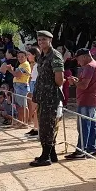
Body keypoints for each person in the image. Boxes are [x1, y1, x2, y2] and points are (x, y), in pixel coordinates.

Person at [30, 31, 65, 167]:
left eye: (43, 39)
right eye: (39, 40)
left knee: (47, 127)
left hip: (50, 97)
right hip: (42, 97)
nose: (41, 42)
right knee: (44, 126)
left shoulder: (55, 55)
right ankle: (51, 154)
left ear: (50, 40)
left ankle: (46, 157)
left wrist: (49, 89)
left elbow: (59, 80)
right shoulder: (42, 56)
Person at [65, 48, 96, 160]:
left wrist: (73, 82)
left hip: (87, 100)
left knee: (83, 126)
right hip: (92, 99)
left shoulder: (89, 67)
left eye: (78, 59)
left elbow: (83, 85)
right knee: (90, 126)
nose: (78, 62)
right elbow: (85, 83)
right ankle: (91, 149)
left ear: (85, 56)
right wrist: (77, 80)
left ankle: (81, 150)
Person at [11, 50, 31, 128]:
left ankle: (25, 122)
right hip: (18, 85)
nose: (20, 58)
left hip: (22, 86)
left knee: (23, 105)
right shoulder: (21, 65)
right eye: (19, 57)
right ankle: (20, 121)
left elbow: (18, 75)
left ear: (26, 57)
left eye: (22, 56)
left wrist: (10, 70)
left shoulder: (25, 65)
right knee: (19, 105)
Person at [25, 47, 40, 139]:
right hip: (33, 84)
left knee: (36, 109)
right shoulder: (34, 65)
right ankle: (35, 128)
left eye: (29, 55)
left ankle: (38, 129)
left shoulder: (38, 65)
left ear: (34, 55)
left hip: (35, 85)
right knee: (34, 109)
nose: (28, 57)